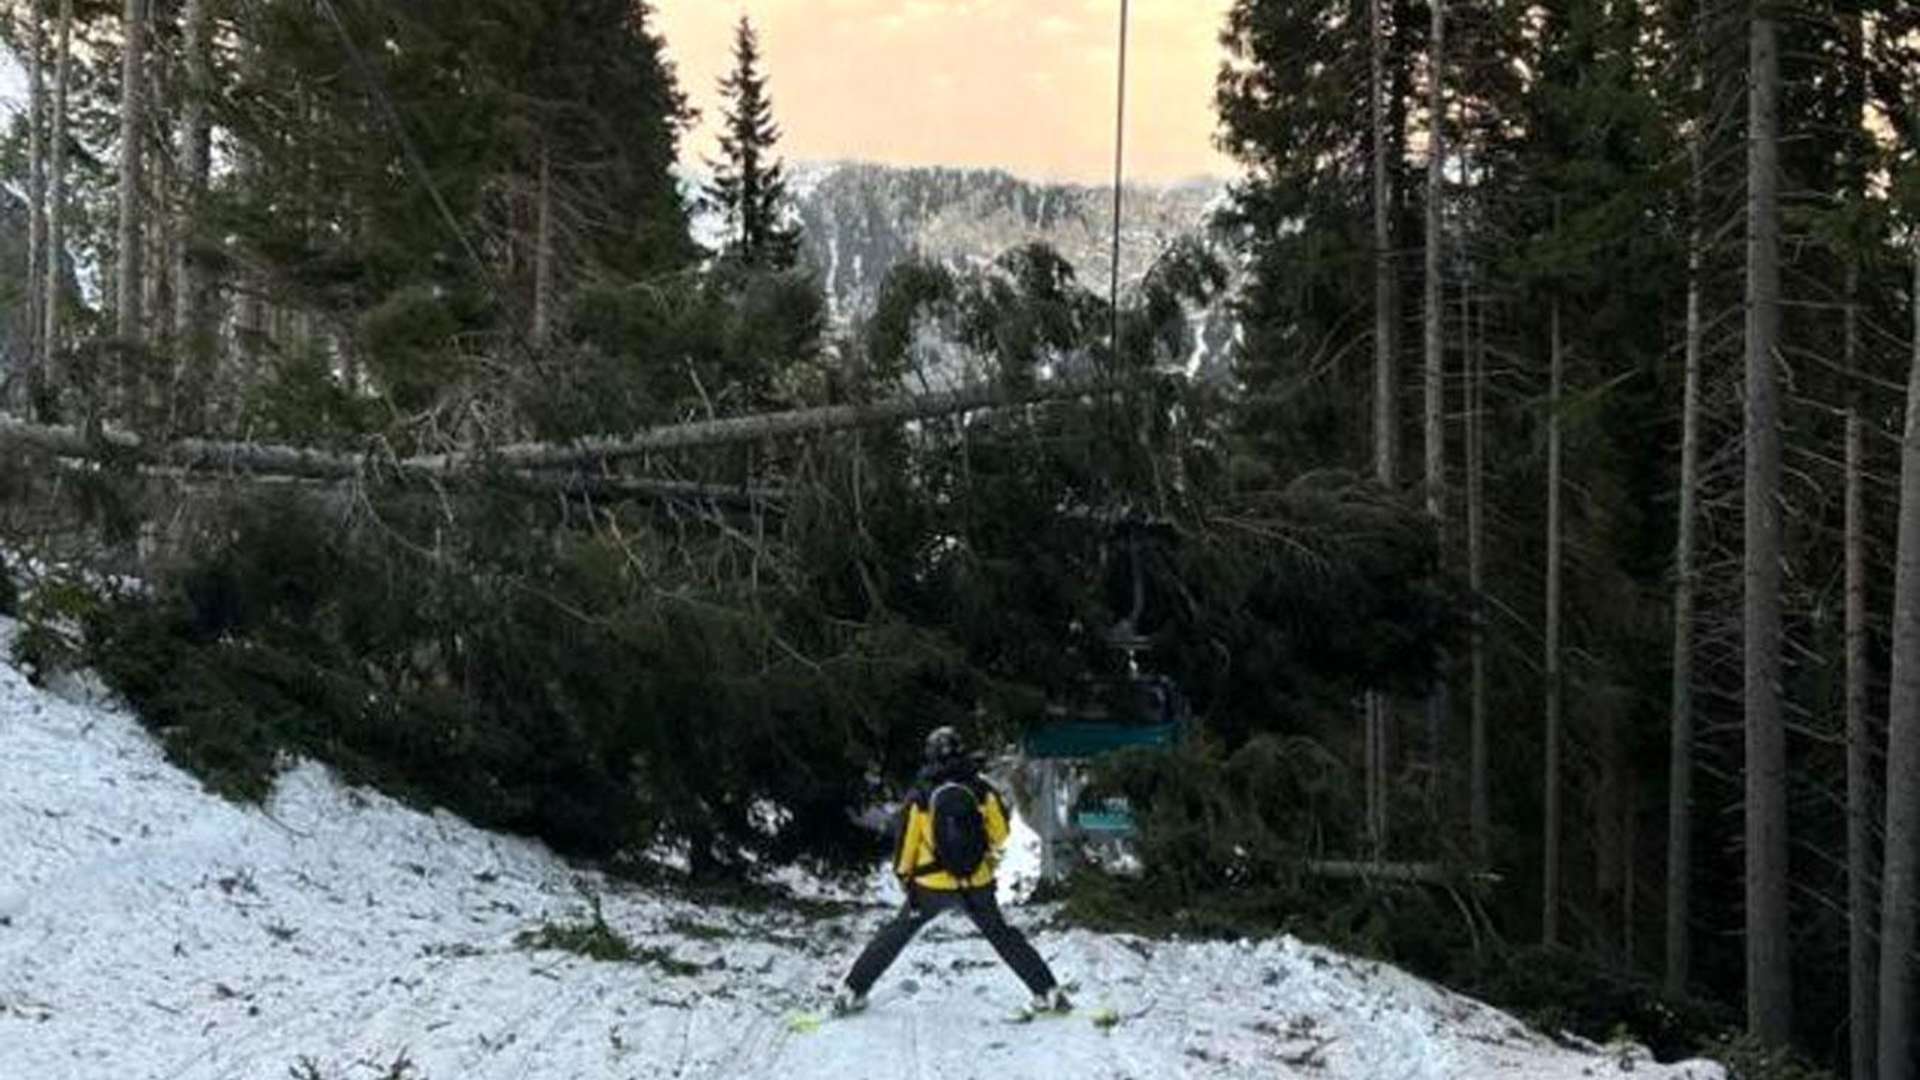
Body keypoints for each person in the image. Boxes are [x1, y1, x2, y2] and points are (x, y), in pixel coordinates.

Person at [832, 725, 1070, 1017]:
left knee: (895, 934)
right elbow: (1001, 834)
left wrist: (905, 877)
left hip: (930, 886)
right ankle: (1048, 991)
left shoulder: (920, 794)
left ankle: (852, 992)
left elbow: (907, 844)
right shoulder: (981, 789)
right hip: (976, 884)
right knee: (1003, 936)